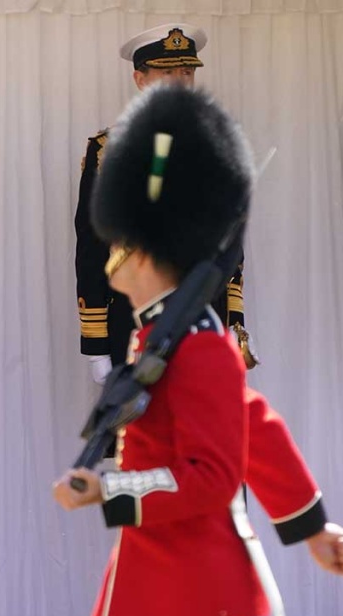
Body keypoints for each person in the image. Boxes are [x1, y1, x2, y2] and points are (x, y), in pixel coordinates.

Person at [48, 84, 343, 616]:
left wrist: (110, 491)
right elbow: (258, 427)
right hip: (140, 594)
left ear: (142, 250)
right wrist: (310, 526)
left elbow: (214, 477)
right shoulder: (164, 340)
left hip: (198, 591)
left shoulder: (198, 346)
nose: (111, 255)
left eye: (120, 243)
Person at [75, 23, 256, 386]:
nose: (179, 81)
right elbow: (93, 246)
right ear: (140, 79)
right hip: (135, 323)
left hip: (207, 320)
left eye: (186, 72)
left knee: (204, 432)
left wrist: (235, 321)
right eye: (167, 72)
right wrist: (96, 341)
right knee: (141, 436)